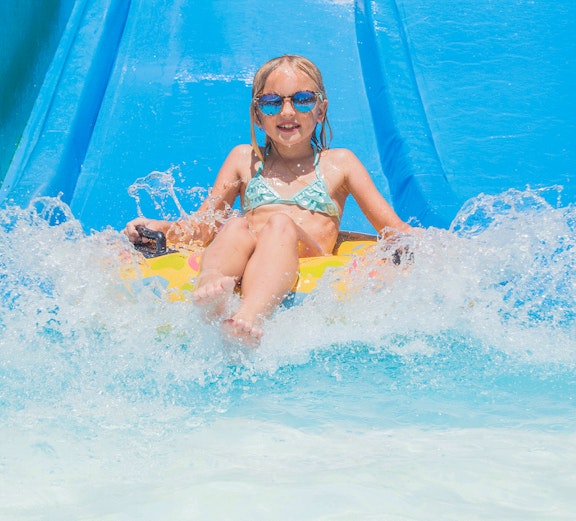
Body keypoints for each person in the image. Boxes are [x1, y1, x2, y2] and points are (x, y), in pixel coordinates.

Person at [124, 54, 414, 346]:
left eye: (302, 100)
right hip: (250, 251)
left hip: (305, 255)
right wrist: (162, 228)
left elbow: (393, 230)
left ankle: (249, 315)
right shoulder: (243, 159)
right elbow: (202, 228)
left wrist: (427, 249)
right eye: (272, 102)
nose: (287, 112)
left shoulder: (341, 164)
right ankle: (210, 287)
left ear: (321, 110)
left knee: (279, 224)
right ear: (257, 115)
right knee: (235, 225)